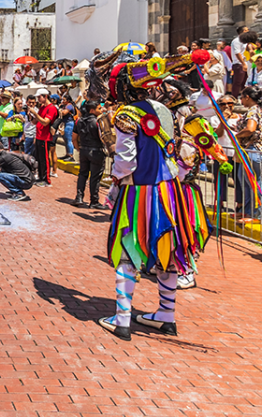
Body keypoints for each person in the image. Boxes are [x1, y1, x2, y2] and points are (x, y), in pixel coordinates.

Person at [86, 48, 213, 341]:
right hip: (170, 191)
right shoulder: (164, 110)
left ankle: (122, 319)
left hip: (139, 193)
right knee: (167, 252)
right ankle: (165, 316)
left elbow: (125, 161)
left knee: (128, 251)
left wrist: (117, 183)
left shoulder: (125, 114)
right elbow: (176, 151)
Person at [232, 85, 262, 222]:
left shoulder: (253, 111)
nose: (241, 100)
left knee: (253, 182)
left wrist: (237, 136)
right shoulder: (258, 110)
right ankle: (247, 211)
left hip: (254, 149)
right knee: (245, 181)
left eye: (242, 97)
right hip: (249, 150)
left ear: (247, 97)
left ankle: (256, 214)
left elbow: (250, 129)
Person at [73, 100, 108, 209]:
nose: (101, 110)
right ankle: (94, 201)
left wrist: (79, 149)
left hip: (84, 150)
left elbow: (74, 138)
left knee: (82, 174)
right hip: (96, 151)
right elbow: (104, 137)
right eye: (99, 108)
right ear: (92, 110)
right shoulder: (98, 122)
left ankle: (79, 197)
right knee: (95, 177)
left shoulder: (78, 121)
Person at [31, 89, 58, 187]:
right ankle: (41, 177)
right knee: (39, 158)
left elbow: (45, 122)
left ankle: (46, 179)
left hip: (45, 137)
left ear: (45, 96)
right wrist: (31, 114)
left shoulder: (51, 108)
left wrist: (35, 113)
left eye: (39, 97)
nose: (38, 99)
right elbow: (35, 122)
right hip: (39, 136)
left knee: (45, 159)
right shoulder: (42, 107)